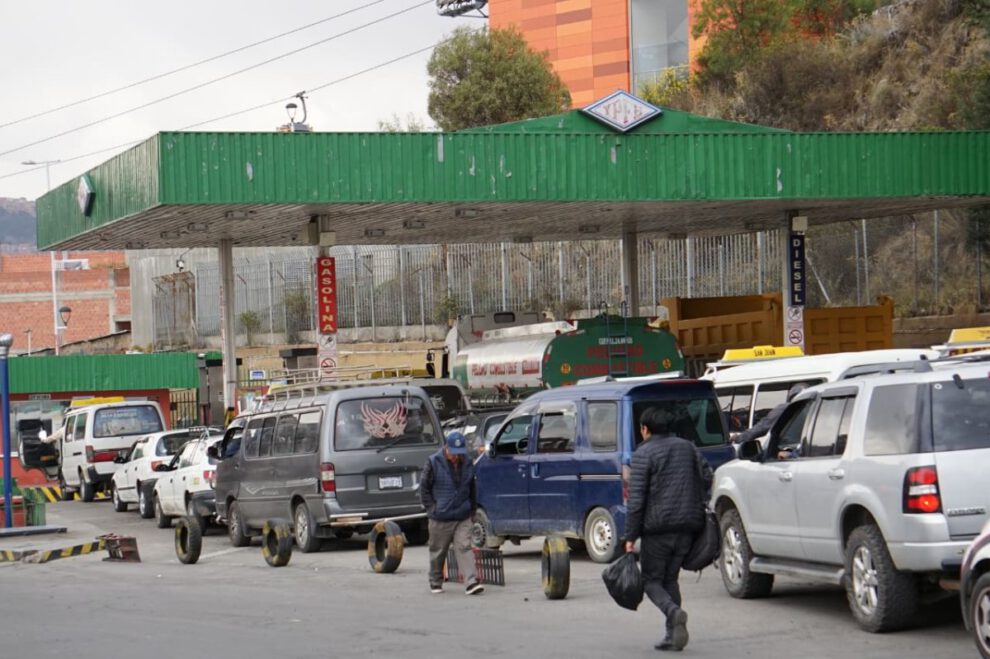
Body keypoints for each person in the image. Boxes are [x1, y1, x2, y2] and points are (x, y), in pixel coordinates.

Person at [624, 407, 714, 652]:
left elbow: (636, 500)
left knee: (651, 580)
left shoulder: (643, 454)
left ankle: (673, 612)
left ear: (645, 429)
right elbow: (708, 477)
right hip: (688, 526)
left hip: (657, 529)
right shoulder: (688, 447)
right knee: (670, 579)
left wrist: (630, 536)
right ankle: (672, 635)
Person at [420, 431, 484, 596]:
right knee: (438, 551)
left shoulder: (467, 462)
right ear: (446, 448)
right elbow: (424, 489)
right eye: (453, 454)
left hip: (462, 515)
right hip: (440, 516)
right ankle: (435, 581)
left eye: (459, 454)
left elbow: (472, 487)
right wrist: (432, 509)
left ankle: (471, 582)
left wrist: (472, 509)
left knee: (464, 547)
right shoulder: (433, 462)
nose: (456, 457)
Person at [731, 382, 812, 445]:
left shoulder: (786, 408)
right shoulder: (818, 408)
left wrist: (739, 438)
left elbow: (761, 427)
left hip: (788, 450)